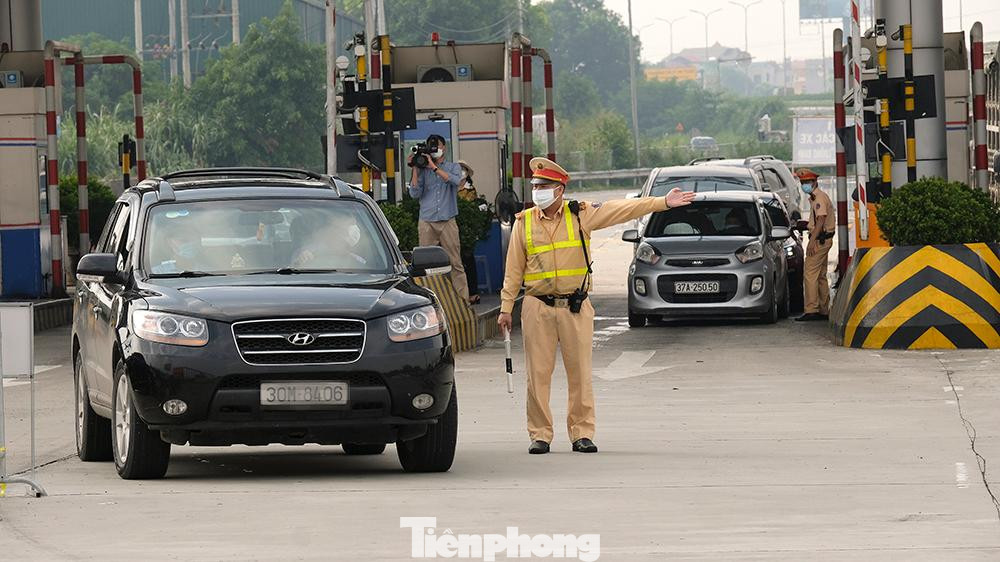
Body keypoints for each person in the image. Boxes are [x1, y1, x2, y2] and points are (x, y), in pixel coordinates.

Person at [497, 157, 696, 455]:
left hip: (575, 306)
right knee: (537, 375)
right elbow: (513, 269)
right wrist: (505, 307)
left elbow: (620, 209)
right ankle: (540, 435)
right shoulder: (524, 223)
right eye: (535, 186)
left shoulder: (580, 215)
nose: (538, 191)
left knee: (580, 374)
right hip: (537, 306)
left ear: (559, 190)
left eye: (544, 186)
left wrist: (662, 203)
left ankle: (582, 433)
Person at [407, 134, 473, 304]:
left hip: (447, 220)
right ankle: (428, 303)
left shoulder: (453, 167)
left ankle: (463, 303)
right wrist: (415, 168)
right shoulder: (422, 169)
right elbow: (414, 193)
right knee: (425, 265)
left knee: (455, 263)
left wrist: (434, 167)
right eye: (432, 146)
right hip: (426, 221)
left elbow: (456, 181)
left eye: (437, 146)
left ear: (445, 148)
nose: (434, 149)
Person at [795, 168, 836, 322]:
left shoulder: (819, 198)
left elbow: (821, 219)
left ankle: (812, 309)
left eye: (807, 182)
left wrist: (811, 241)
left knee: (810, 274)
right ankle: (823, 309)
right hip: (823, 239)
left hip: (819, 240)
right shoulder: (816, 197)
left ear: (815, 182)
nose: (804, 185)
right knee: (820, 276)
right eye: (802, 182)